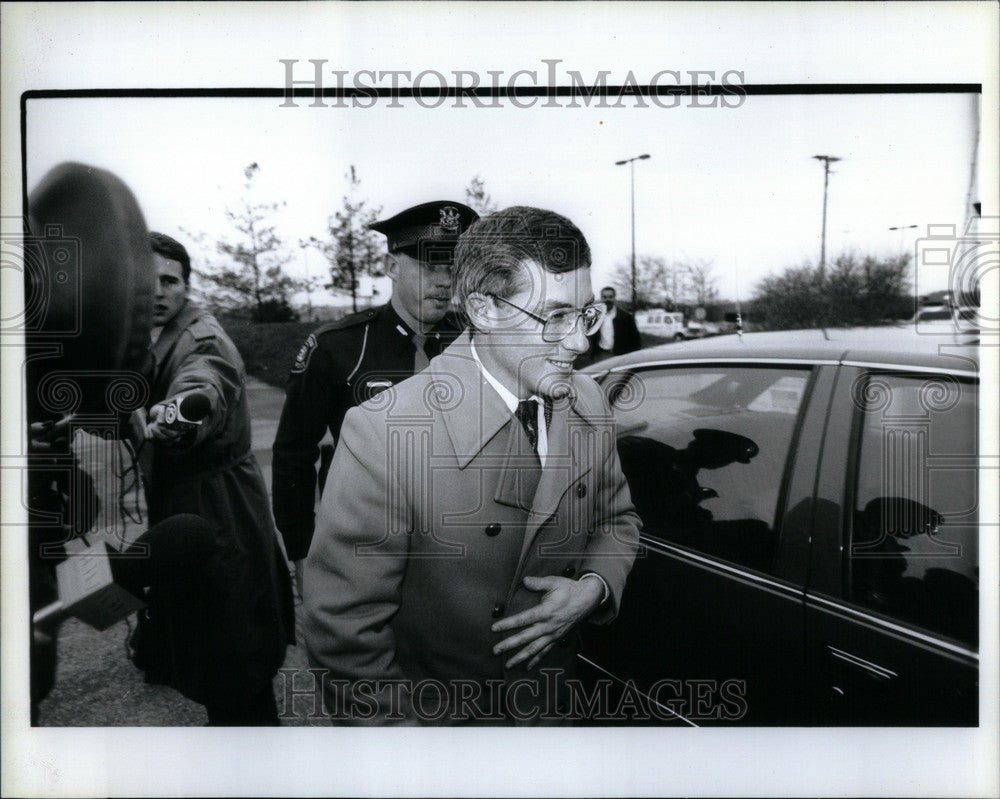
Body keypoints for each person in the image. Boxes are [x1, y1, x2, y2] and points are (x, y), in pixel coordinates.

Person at [303, 206, 641, 725]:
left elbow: (618, 520)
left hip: (552, 709)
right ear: (484, 309)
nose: (579, 342)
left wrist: (591, 589)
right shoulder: (385, 433)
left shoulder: (589, 400)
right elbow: (346, 638)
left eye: (586, 313)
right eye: (554, 317)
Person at [131, 232, 295, 725]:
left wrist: (177, 416)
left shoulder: (201, 339)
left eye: (170, 281)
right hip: (189, 505)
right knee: (211, 642)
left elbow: (205, 383)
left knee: (233, 653)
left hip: (217, 509)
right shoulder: (155, 334)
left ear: (186, 286)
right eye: (147, 281)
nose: (158, 291)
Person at [271, 201, 479, 590]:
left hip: (456, 550)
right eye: (430, 266)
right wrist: (301, 550)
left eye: (452, 268)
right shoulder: (339, 347)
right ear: (391, 267)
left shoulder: (475, 344)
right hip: (364, 545)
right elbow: (293, 454)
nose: (444, 281)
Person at [587, 285, 642, 362]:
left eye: (610, 296)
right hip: (601, 355)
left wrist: (631, 357)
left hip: (619, 356)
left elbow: (636, 340)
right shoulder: (595, 316)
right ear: (601, 298)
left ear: (614, 298)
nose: (607, 299)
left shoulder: (625, 316)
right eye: (604, 297)